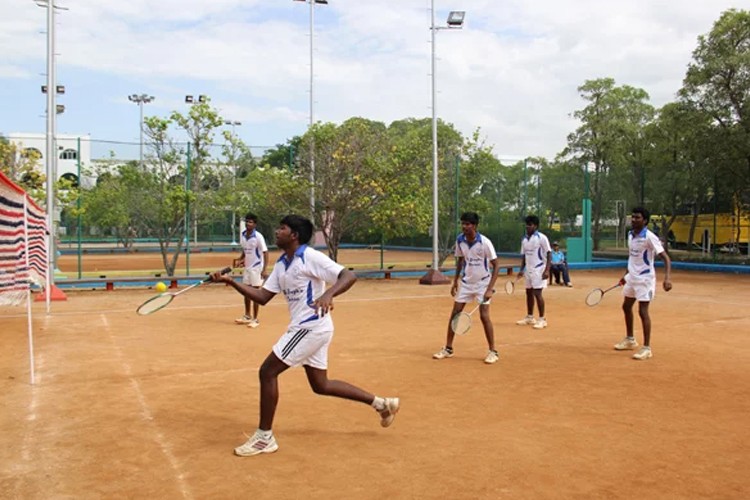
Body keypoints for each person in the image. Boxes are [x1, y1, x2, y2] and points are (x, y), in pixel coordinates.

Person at [211, 214, 399, 457]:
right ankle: (382, 404)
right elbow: (263, 297)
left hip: (309, 327)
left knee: (267, 371)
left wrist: (329, 294)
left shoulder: (310, 257)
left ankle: (264, 437)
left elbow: (348, 276)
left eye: (282, 228)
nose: (277, 232)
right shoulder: (281, 264)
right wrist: (230, 281)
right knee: (321, 385)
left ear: (294, 235)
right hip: (312, 327)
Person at [433, 212, 501, 364]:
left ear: (475, 226)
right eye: (463, 223)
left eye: (468, 224)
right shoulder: (460, 240)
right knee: (455, 314)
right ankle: (448, 348)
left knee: (484, 316)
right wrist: (455, 281)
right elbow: (460, 260)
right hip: (466, 283)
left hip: (483, 283)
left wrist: (489, 288)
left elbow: (496, 265)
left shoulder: (485, 242)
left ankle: (493, 351)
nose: (464, 226)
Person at [613, 207, 672, 360]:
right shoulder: (630, 235)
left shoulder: (650, 237)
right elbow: (632, 258)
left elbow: (666, 258)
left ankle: (646, 348)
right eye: (632, 217)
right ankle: (630, 340)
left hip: (645, 280)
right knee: (626, 306)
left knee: (642, 311)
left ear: (645, 221)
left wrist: (667, 278)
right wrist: (625, 276)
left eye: (637, 217)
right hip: (631, 278)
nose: (633, 220)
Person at [231, 213, 269, 328]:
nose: (248, 224)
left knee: (256, 292)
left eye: (251, 222)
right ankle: (247, 316)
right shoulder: (243, 235)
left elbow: (265, 252)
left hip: (257, 267)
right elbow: (245, 250)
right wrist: (241, 259)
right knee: (246, 291)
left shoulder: (258, 236)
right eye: (247, 221)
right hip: (247, 267)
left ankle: (255, 319)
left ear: (255, 224)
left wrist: (264, 269)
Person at [516, 215, 551, 329]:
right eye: (526, 224)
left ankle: (542, 319)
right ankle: (530, 317)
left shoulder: (542, 238)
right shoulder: (524, 239)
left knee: (537, 293)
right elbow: (524, 255)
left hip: (539, 269)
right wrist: (521, 269)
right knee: (528, 293)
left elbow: (549, 253)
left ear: (535, 226)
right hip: (528, 270)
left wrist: (547, 270)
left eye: (530, 225)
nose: (527, 227)